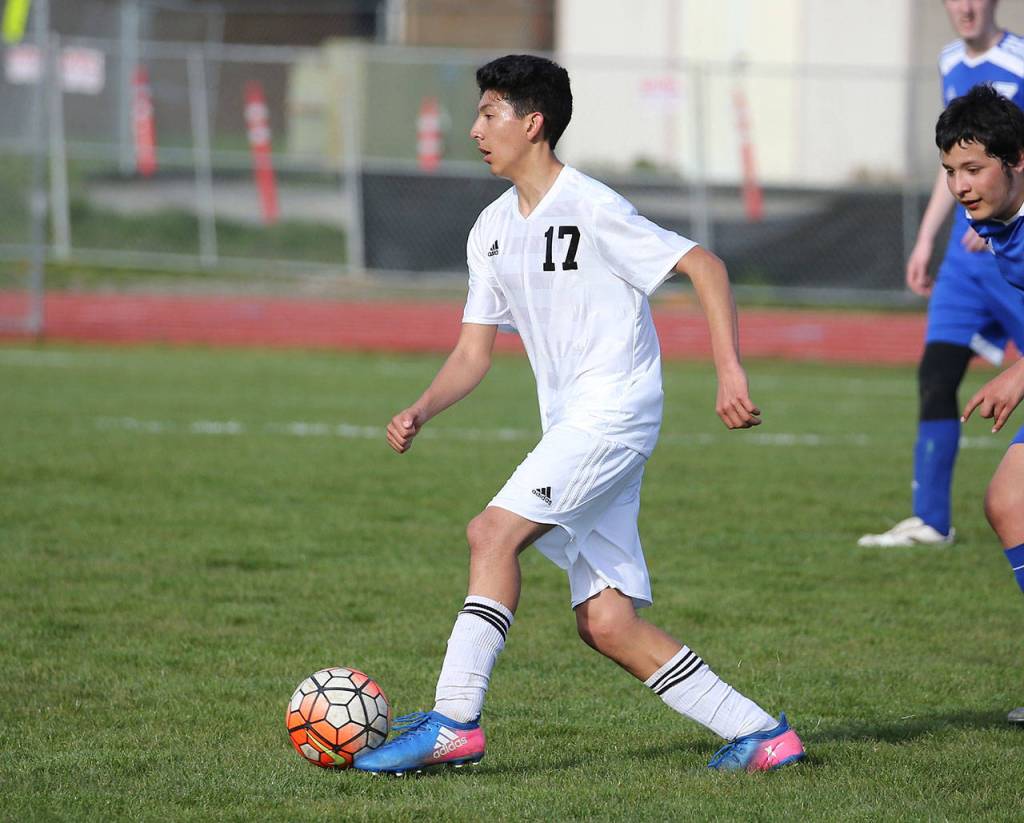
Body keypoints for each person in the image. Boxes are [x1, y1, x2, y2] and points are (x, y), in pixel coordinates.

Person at [352, 54, 805, 775]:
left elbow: (705, 265)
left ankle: (453, 721)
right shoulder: (491, 229)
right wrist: (422, 407)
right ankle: (762, 735)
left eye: (490, 113)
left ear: (533, 123)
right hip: (575, 425)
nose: (475, 129)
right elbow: (474, 353)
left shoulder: (591, 204)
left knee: (490, 532)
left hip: (614, 413)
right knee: (606, 622)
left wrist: (728, 370)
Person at [859, 0, 1024, 548]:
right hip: (965, 257)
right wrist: (930, 235)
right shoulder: (949, 62)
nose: (966, 6)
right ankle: (930, 519)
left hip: (1004, 244)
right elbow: (954, 160)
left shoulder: (1021, 60)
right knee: (936, 375)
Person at [935, 83, 1024, 725]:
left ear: (1017, 162)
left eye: (974, 169)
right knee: (1009, 501)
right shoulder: (993, 223)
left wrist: (1018, 374)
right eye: (949, 172)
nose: (960, 186)